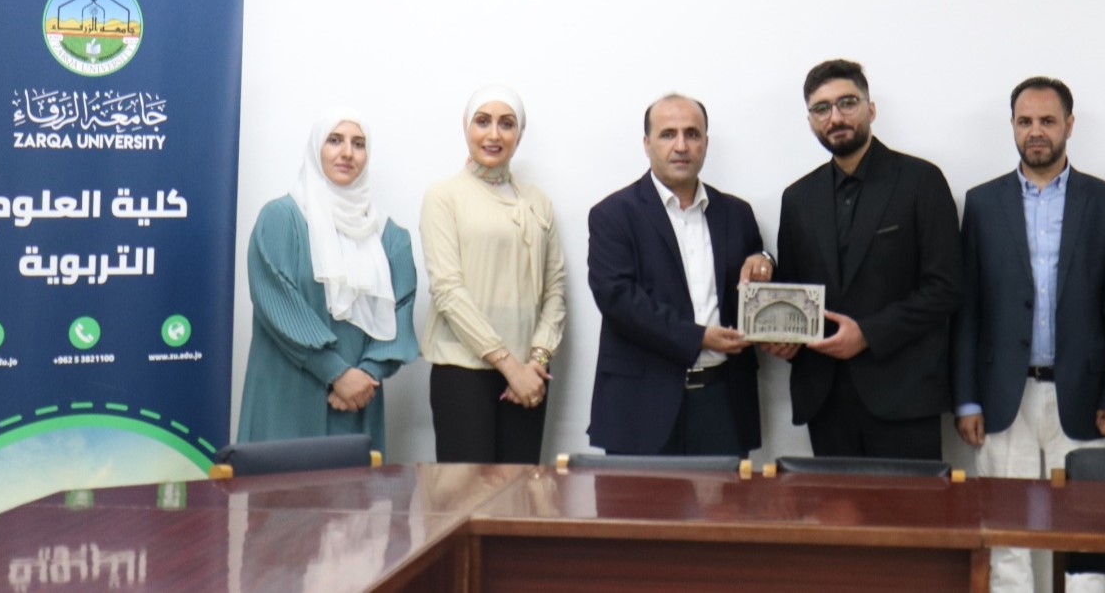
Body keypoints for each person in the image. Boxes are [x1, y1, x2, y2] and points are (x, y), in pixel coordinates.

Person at [951, 77, 1105, 593]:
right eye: (1025, 121)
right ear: (1012, 126)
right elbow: (967, 309)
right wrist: (966, 399)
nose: (1036, 131)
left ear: (1069, 126)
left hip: (1084, 393)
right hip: (1002, 393)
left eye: (1047, 121)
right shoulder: (982, 203)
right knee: (1006, 534)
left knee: (1085, 533)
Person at [769, 59, 961, 459]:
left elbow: (945, 288)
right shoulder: (798, 198)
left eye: (847, 103)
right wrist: (785, 334)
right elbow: (795, 289)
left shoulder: (921, 181)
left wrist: (868, 334)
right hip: (824, 400)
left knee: (909, 503)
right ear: (810, 121)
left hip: (904, 396)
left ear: (870, 109)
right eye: (822, 108)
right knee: (833, 503)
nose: (835, 117)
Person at [586, 94, 773, 455]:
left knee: (727, 496)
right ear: (647, 144)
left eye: (692, 134)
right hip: (641, 406)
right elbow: (618, 300)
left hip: (724, 402)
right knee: (641, 496)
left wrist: (765, 260)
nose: (682, 146)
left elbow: (756, 274)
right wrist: (699, 337)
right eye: (668, 134)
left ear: (706, 143)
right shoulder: (613, 215)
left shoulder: (737, 213)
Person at [238, 109, 419, 456]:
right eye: (334, 141)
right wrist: (336, 373)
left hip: (355, 400)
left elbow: (401, 310)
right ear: (315, 148)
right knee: (279, 487)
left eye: (358, 144)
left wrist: (364, 375)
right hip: (286, 393)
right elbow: (277, 303)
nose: (347, 153)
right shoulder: (280, 219)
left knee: (350, 491)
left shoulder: (390, 236)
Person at [420, 85, 566, 464]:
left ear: (519, 133)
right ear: (466, 127)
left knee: (520, 493)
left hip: (530, 375)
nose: (494, 134)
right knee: (467, 493)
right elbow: (448, 290)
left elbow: (555, 289)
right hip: (463, 370)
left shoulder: (538, 201)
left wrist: (537, 359)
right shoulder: (443, 196)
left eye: (507, 124)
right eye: (483, 122)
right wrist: (508, 365)